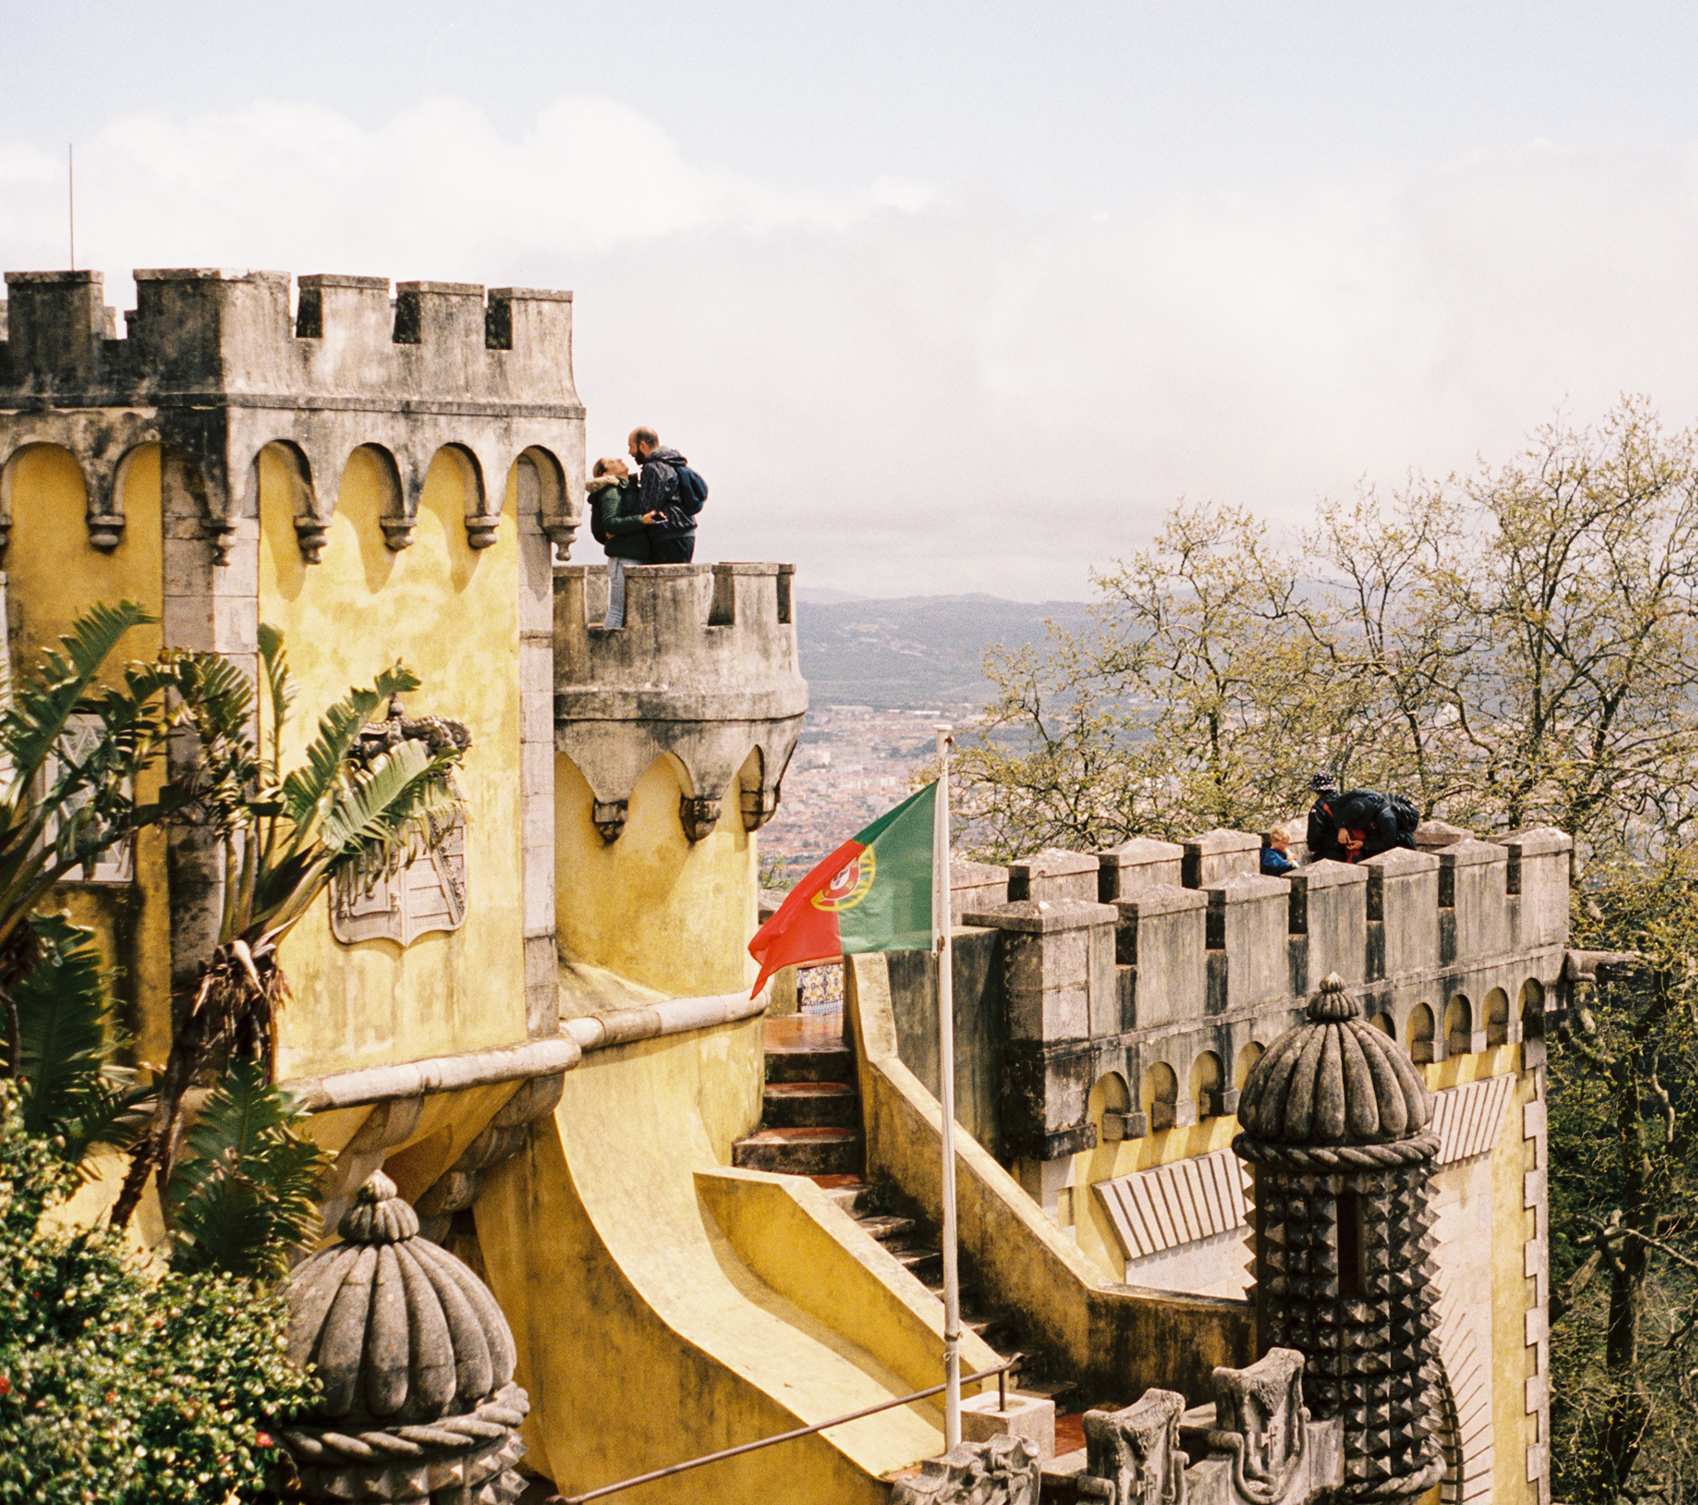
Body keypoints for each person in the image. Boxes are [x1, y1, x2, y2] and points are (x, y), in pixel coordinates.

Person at [586, 456, 649, 629]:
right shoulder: (611, 490)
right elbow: (610, 523)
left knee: (624, 610)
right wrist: (642, 520)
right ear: (605, 473)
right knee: (618, 611)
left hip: (629, 555)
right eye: (612, 461)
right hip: (623, 558)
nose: (620, 459)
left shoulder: (627, 488)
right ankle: (606, 645)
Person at [627, 426, 704, 564]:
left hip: (668, 534)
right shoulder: (673, 462)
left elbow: (648, 506)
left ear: (642, 445)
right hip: (683, 531)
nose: (630, 452)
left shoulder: (653, 467)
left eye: (631, 446)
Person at [1305, 772, 1418, 863]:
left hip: (1333, 853)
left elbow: (1313, 838)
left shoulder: (1320, 808)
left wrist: (1363, 844)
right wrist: (1341, 828)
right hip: (1353, 851)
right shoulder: (1349, 799)